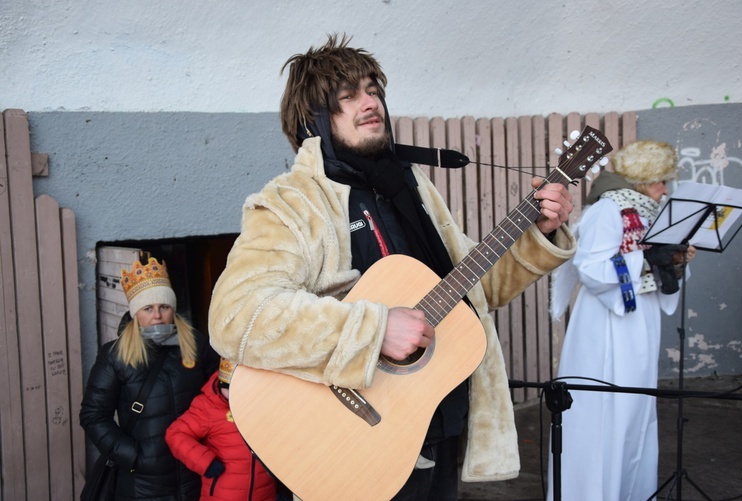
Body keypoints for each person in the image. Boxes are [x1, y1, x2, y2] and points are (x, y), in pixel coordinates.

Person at [208, 34, 577, 500]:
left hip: (433, 425)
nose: (369, 102)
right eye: (348, 95)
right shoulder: (292, 204)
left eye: (372, 89)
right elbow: (235, 315)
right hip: (344, 443)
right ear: (313, 120)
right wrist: (374, 330)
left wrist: (539, 232)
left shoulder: (410, 187)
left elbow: (475, 294)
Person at [548, 140, 697, 500]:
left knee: (633, 412)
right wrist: (651, 260)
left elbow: (653, 265)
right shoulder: (608, 211)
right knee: (604, 412)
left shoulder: (649, 213)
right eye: (662, 181)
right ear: (644, 180)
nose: (666, 189)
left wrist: (676, 261)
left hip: (640, 319)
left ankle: (630, 491)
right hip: (607, 324)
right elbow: (592, 267)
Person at [80, 257, 219, 500]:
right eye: (148, 308)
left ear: (173, 309)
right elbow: (93, 415)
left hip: (194, 473)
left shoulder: (196, 344)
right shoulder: (116, 355)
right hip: (143, 483)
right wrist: (133, 457)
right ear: (136, 313)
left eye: (164, 307)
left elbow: (218, 395)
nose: (157, 316)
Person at [165, 357, 277, 501]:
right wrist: (206, 462)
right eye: (229, 389)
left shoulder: (261, 406)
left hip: (263, 493)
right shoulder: (208, 406)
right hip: (222, 494)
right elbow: (176, 434)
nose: (234, 395)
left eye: (240, 389)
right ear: (220, 383)